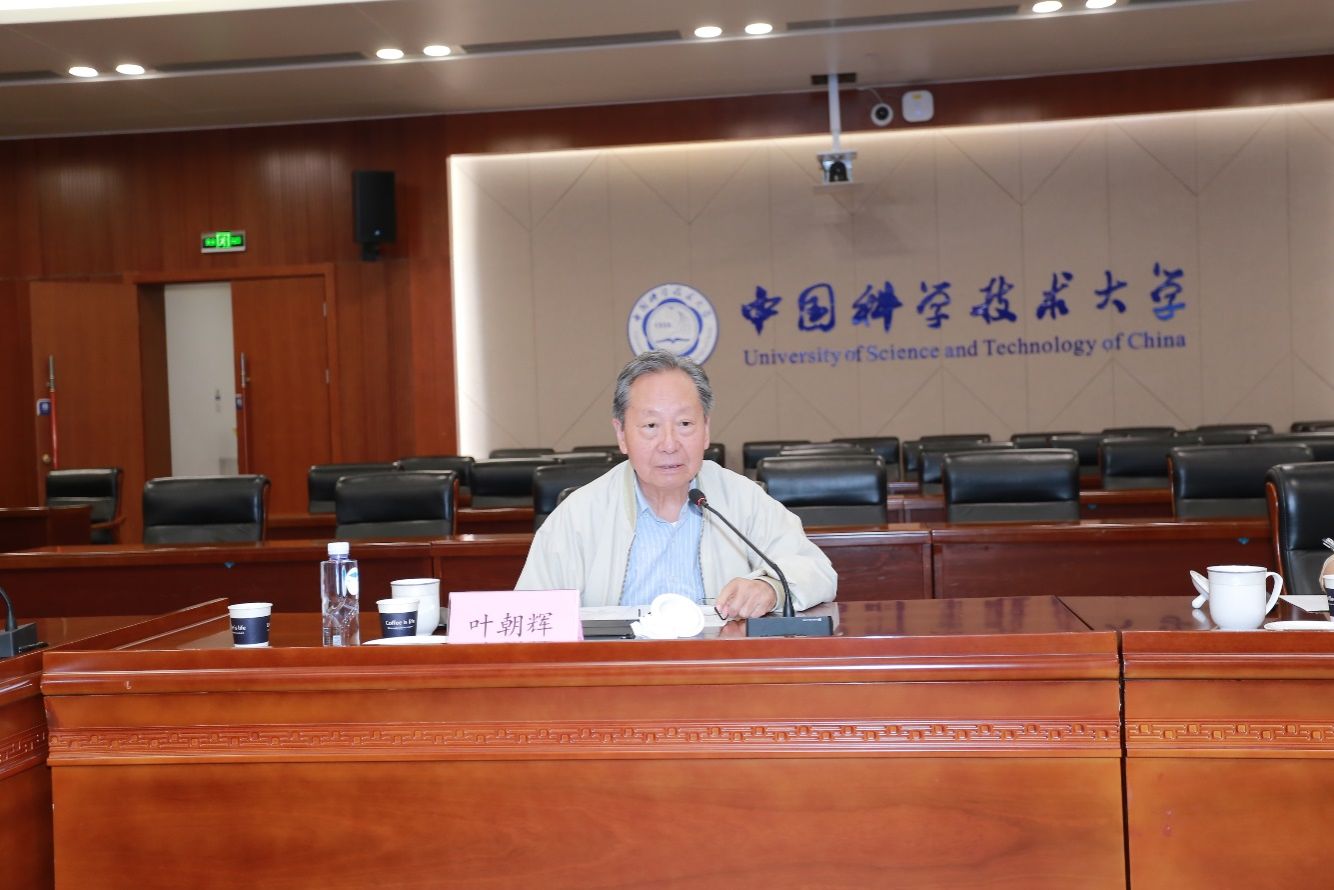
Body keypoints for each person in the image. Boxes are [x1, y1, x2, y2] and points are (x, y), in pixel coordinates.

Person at [516, 350, 837, 618]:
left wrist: (770, 588)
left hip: (720, 668)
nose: (669, 444)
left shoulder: (743, 499)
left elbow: (817, 572)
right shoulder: (578, 515)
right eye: (651, 426)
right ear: (621, 434)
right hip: (616, 671)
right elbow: (530, 615)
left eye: (684, 423)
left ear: (706, 429)